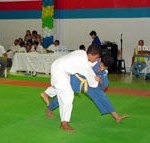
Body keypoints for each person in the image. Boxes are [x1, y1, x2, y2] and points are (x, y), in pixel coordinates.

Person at [41, 55, 128, 124]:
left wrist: (100, 81)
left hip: (90, 85)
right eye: (101, 65)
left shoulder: (104, 72)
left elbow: (104, 86)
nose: (101, 67)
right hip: (76, 80)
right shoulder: (92, 61)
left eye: (104, 67)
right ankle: (49, 109)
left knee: (102, 96)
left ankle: (116, 117)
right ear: (100, 60)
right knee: (64, 95)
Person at [41, 44, 101, 131]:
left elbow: (88, 69)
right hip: (59, 71)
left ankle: (46, 93)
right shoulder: (84, 63)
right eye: (96, 57)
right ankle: (64, 123)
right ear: (91, 55)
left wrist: (93, 76)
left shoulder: (81, 52)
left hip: (60, 67)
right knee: (68, 95)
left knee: (61, 87)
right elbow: (91, 80)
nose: (96, 60)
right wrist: (96, 80)